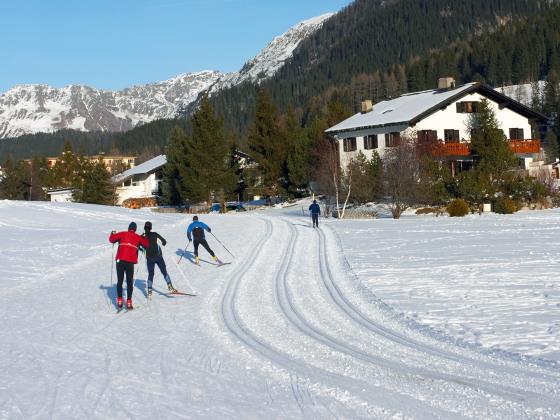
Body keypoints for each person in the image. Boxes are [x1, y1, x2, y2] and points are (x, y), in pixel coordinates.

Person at [109, 222, 149, 310]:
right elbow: (146, 245)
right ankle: (129, 302)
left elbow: (111, 240)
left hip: (120, 260)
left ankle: (119, 301)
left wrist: (112, 233)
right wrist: (144, 237)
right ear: (135, 229)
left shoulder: (123, 233)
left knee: (120, 281)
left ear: (128, 228)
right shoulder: (138, 237)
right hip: (130, 262)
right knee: (129, 281)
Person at [142, 221, 177, 299]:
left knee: (151, 274)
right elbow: (164, 241)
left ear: (144, 228)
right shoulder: (155, 234)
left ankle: (149, 292)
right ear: (151, 228)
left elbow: (139, 246)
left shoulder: (142, 236)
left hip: (149, 258)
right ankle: (170, 287)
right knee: (164, 271)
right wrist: (163, 243)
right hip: (158, 257)